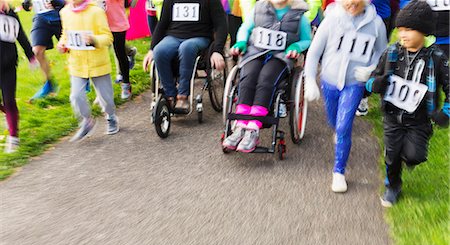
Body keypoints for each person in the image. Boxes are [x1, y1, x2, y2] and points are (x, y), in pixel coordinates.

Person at [366, 0, 449, 206]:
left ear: (424, 31)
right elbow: (371, 79)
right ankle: (392, 186)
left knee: (415, 155)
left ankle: (407, 155)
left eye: (409, 29)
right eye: (400, 29)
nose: (403, 34)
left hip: (419, 120)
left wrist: (445, 112)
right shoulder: (391, 53)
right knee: (392, 156)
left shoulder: (437, 57)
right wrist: (375, 84)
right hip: (393, 116)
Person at [304, 0, 387, 193]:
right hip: (329, 82)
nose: (352, 3)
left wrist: (371, 69)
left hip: (354, 84)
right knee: (334, 120)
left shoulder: (376, 24)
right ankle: (339, 133)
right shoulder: (331, 20)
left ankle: (339, 171)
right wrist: (309, 80)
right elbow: (314, 52)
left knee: (344, 126)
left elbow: (381, 53)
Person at [222, 0, 311, 152]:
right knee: (248, 77)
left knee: (266, 78)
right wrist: (241, 42)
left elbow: (307, 39)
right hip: (255, 53)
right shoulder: (258, 8)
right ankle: (240, 124)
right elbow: (245, 28)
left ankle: (253, 128)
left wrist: (296, 46)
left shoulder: (299, 15)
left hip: (280, 56)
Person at [142, 0, 227, 113]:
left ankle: (183, 95)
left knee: (186, 47)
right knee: (159, 51)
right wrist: (151, 49)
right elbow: (162, 23)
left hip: (199, 37)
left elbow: (221, 25)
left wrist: (217, 50)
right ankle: (170, 95)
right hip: (173, 36)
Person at [57, 0, 119, 141]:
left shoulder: (96, 11)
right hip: (77, 63)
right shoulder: (64, 12)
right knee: (76, 96)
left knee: (106, 99)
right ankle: (87, 121)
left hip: (98, 63)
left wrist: (94, 39)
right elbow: (65, 34)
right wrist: (62, 44)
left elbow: (108, 37)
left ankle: (111, 116)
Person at [0, 0, 37, 153]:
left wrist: (31, 56)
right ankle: (9, 114)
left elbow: (20, 34)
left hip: (7, 65)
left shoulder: (10, 14)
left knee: (9, 100)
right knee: (6, 105)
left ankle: (13, 137)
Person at [22, 0, 65, 100]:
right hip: (41, 17)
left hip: (62, 15)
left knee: (71, 50)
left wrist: (60, 2)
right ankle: (49, 84)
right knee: (37, 51)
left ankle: (84, 81)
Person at [97, 0, 134, 99]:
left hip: (117, 23)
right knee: (99, 58)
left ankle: (126, 84)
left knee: (120, 54)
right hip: (100, 26)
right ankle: (101, 92)